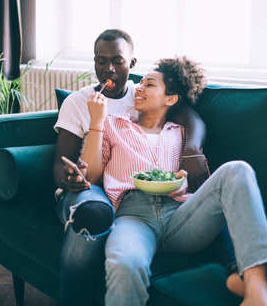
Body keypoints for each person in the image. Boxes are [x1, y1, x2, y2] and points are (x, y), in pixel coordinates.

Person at [79, 56, 267, 306]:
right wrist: (97, 122)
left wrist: (181, 179)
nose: (139, 87)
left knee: (237, 169)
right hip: (133, 216)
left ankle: (256, 289)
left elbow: (201, 181)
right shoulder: (115, 125)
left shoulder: (180, 132)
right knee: (125, 263)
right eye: (140, 82)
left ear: (170, 99)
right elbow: (90, 176)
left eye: (149, 84)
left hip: (181, 216)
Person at [52, 29, 213, 305]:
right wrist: (69, 179)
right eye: (100, 61)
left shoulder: (140, 96)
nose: (108, 70)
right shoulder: (78, 102)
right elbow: (59, 164)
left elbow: (189, 116)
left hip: (137, 189)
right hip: (90, 183)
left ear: (132, 63)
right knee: (94, 211)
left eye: (118, 61)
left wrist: (192, 150)